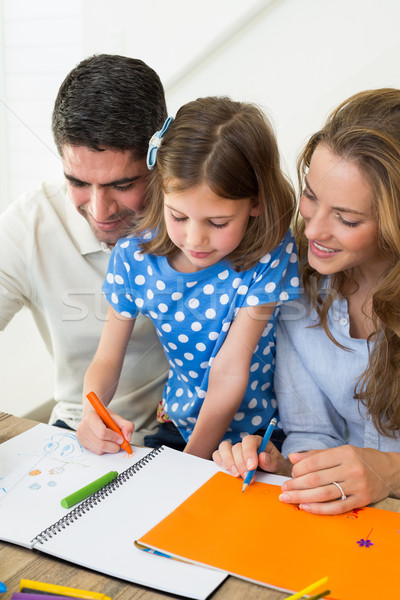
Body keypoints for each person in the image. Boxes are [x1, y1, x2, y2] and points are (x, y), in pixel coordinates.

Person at [80, 95, 300, 459]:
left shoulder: (271, 252)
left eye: (217, 223)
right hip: (177, 426)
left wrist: (190, 464)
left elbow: (231, 370)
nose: (194, 239)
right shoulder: (133, 257)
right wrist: (92, 412)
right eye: (178, 216)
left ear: (256, 203)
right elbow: (106, 360)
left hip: (258, 436)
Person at [213, 88, 400, 513]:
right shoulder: (299, 289)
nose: (312, 231)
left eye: (347, 219)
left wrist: (389, 471)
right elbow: (312, 432)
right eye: (311, 197)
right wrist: (287, 467)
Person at [0, 54, 169, 444]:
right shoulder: (31, 224)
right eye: (77, 181)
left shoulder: (206, 219)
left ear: (159, 158)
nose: (99, 210)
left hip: (189, 434)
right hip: (82, 430)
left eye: (123, 185)